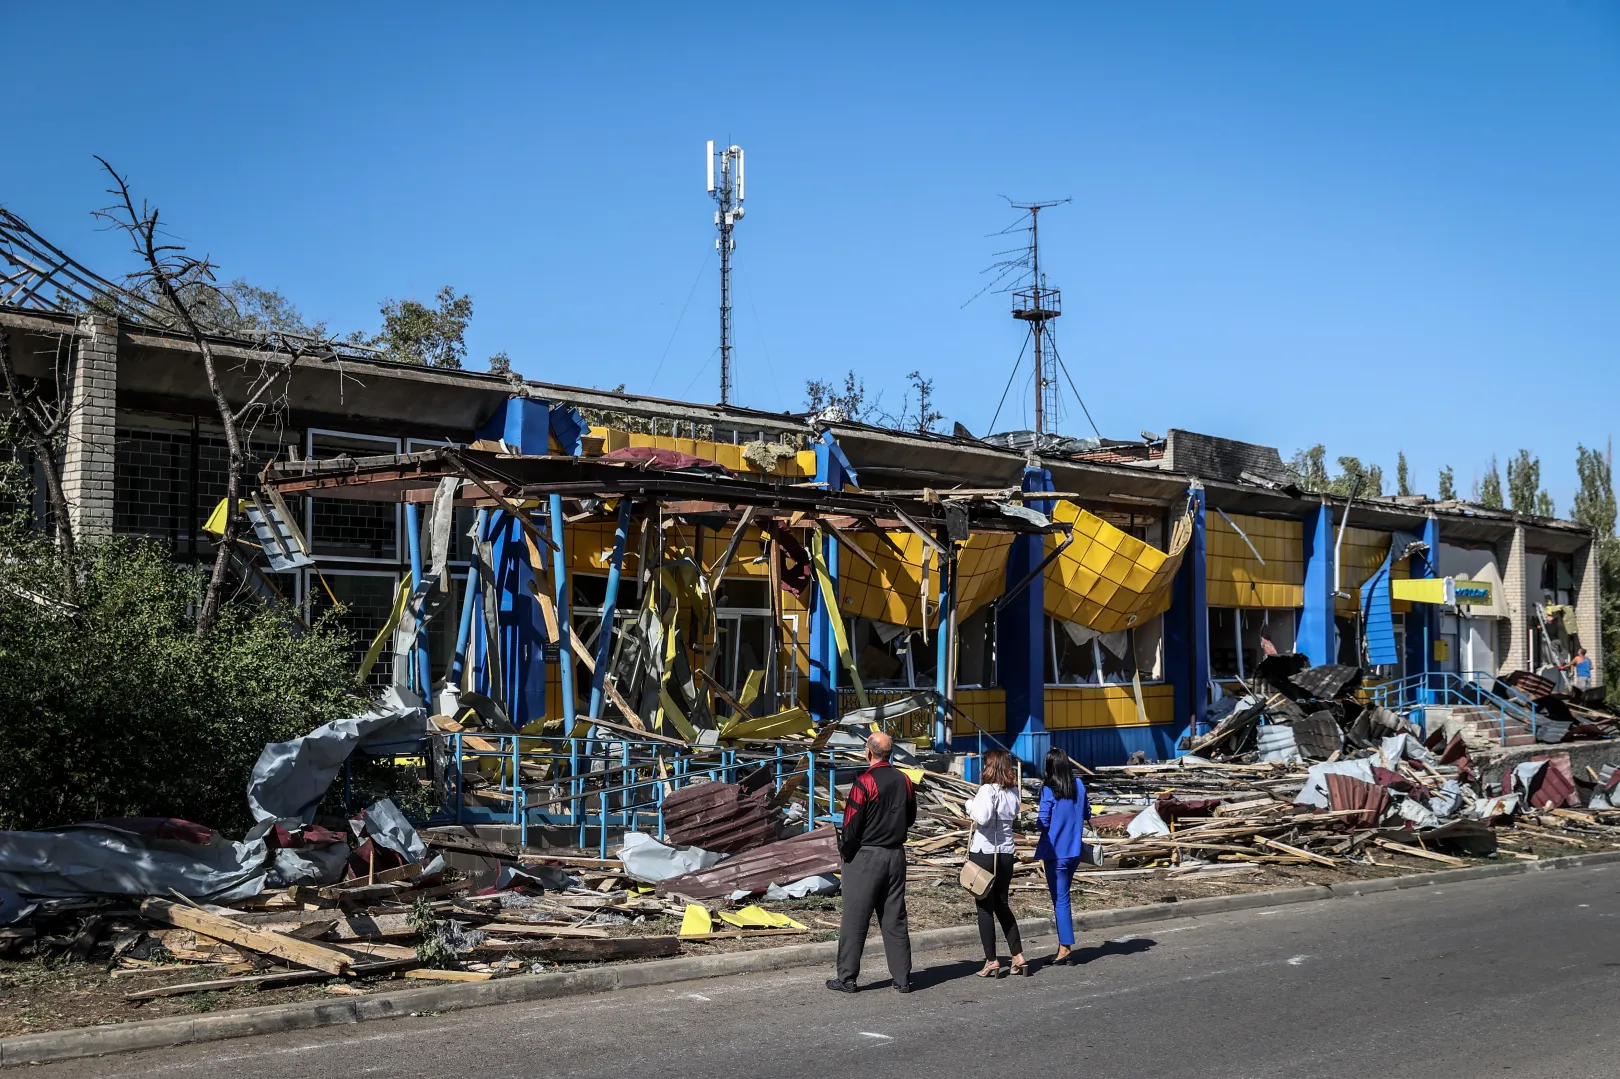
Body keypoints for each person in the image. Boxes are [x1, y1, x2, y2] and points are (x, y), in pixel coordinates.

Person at [828, 731, 916, 994]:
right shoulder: (905, 780)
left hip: (866, 856)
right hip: (895, 855)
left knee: (855, 919)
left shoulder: (864, 782)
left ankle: (847, 978)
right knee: (894, 918)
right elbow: (910, 817)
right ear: (890, 754)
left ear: (868, 752)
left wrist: (847, 852)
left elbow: (851, 826)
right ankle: (902, 978)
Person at [965, 748, 1028, 978]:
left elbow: (981, 817)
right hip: (1005, 853)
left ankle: (991, 959)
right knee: (1002, 903)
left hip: (984, 852)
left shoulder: (986, 790)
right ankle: (1018, 954)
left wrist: (968, 805)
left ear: (990, 766)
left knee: (984, 906)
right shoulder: (1013, 792)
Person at [1035, 748, 1090, 964]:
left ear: (1049, 767)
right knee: (1064, 897)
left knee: (1060, 900)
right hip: (1075, 851)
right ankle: (1063, 946)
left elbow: (1043, 821)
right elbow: (1087, 812)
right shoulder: (1078, 785)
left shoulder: (1049, 789)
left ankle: (1065, 947)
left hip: (1055, 853)